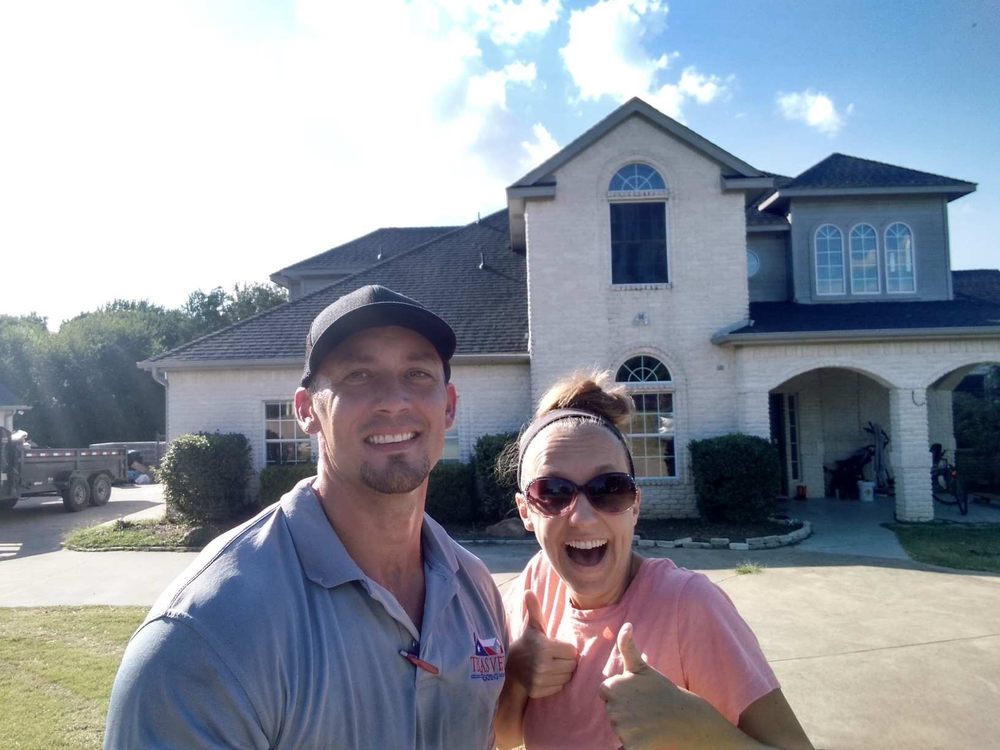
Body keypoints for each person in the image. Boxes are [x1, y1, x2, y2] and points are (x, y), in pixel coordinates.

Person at [104, 285, 508, 749]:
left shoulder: (475, 593)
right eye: (358, 375)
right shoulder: (206, 633)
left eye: (417, 373)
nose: (394, 400)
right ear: (306, 410)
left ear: (450, 405)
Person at [496, 371, 813, 750]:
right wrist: (516, 675)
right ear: (525, 511)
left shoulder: (688, 606)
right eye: (553, 491)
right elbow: (506, 735)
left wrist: (700, 733)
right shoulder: (536, 587)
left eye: (609, 488)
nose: (582, 516)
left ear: (635, 504)